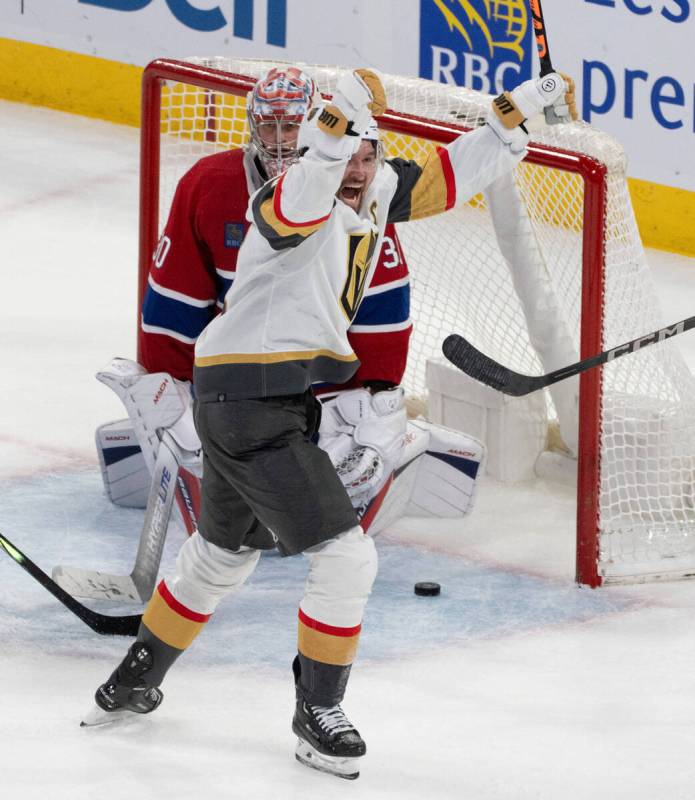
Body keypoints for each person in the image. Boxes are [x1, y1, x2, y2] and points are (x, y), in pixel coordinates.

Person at [83, 67, 576, 779]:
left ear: (377, 158)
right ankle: (317, 714)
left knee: (221, 556)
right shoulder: (288, 197)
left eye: (366, 159)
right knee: (347, 558)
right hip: (247, 402)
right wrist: (334, 124)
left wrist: (519, 112)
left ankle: (132, 678)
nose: (355, 173)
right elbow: (309, 184)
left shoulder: (373, 188)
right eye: (342, 157)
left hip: (261, 399)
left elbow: (446, 172)